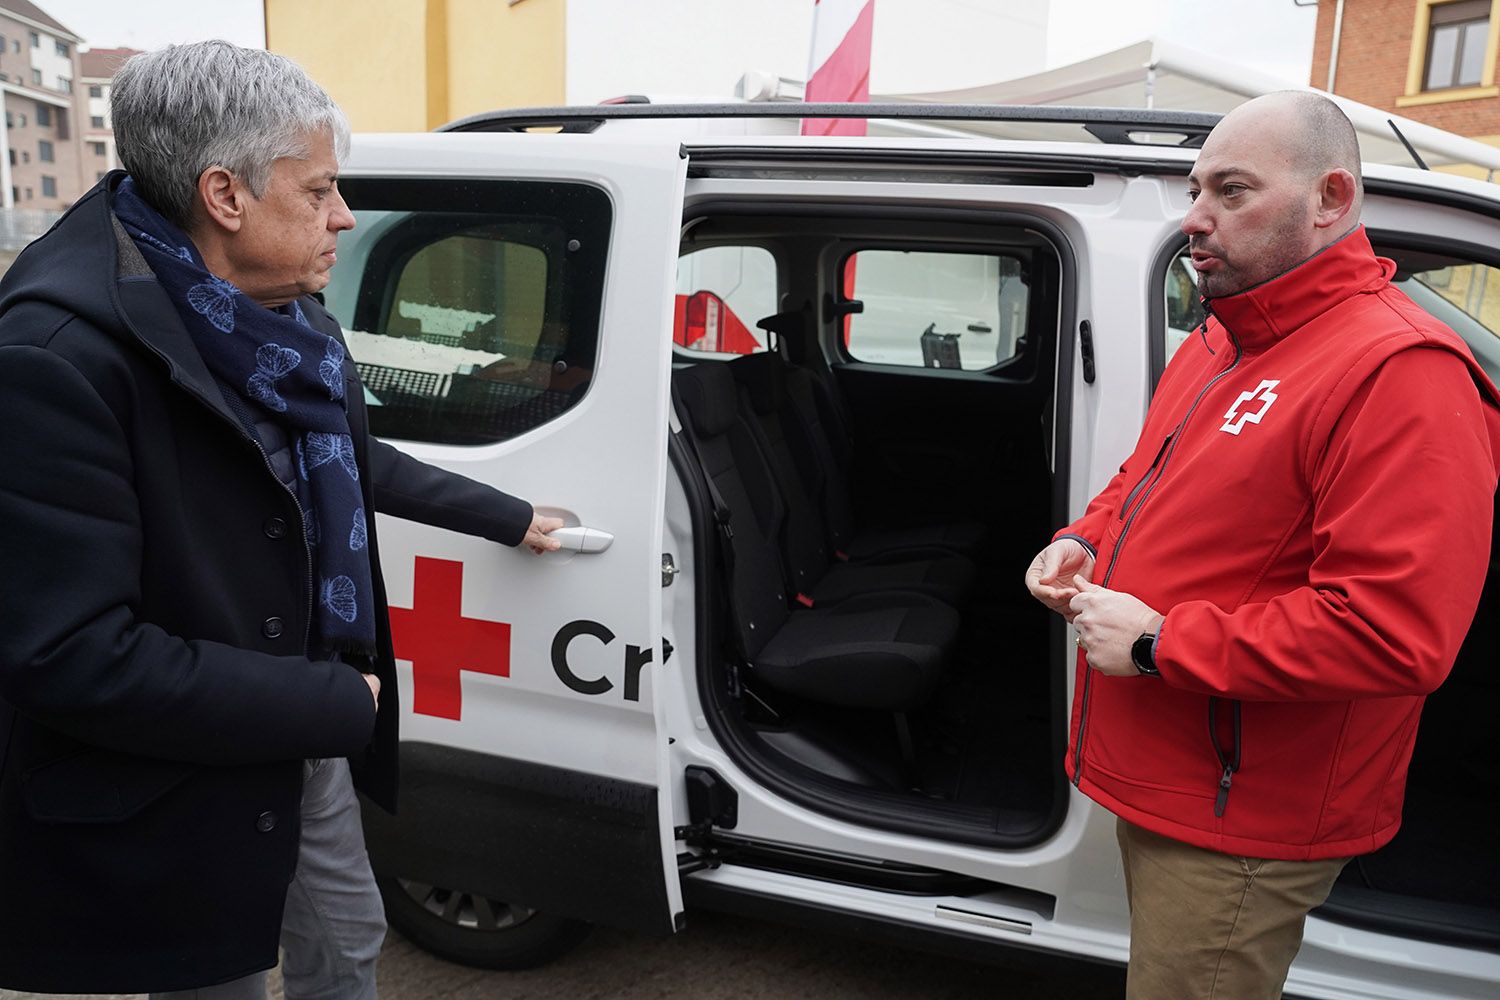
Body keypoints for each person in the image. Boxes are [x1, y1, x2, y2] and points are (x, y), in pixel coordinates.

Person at [0, 41, 562, 998]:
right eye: (319, 191)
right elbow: (69, 652)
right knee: (218, 979)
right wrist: (334, 704)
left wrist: (506, 514)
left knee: (346, 943)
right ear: (226, 196)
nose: (344, 217)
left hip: (305, 719)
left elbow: (347, 456)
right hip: (181, 770)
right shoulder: (55, 361)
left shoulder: (286, 321)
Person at [1026, 91, 1500, 999]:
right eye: (1197, 188)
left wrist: (1161, 644)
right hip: (1174, 772)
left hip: (1240, 810)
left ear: (1329, 200)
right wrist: (1080, 539)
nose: (1194, 220)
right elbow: (1147, 476)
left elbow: (1392, 631)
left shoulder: (1397, 373)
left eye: (1231, 192)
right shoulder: (1225, 334)